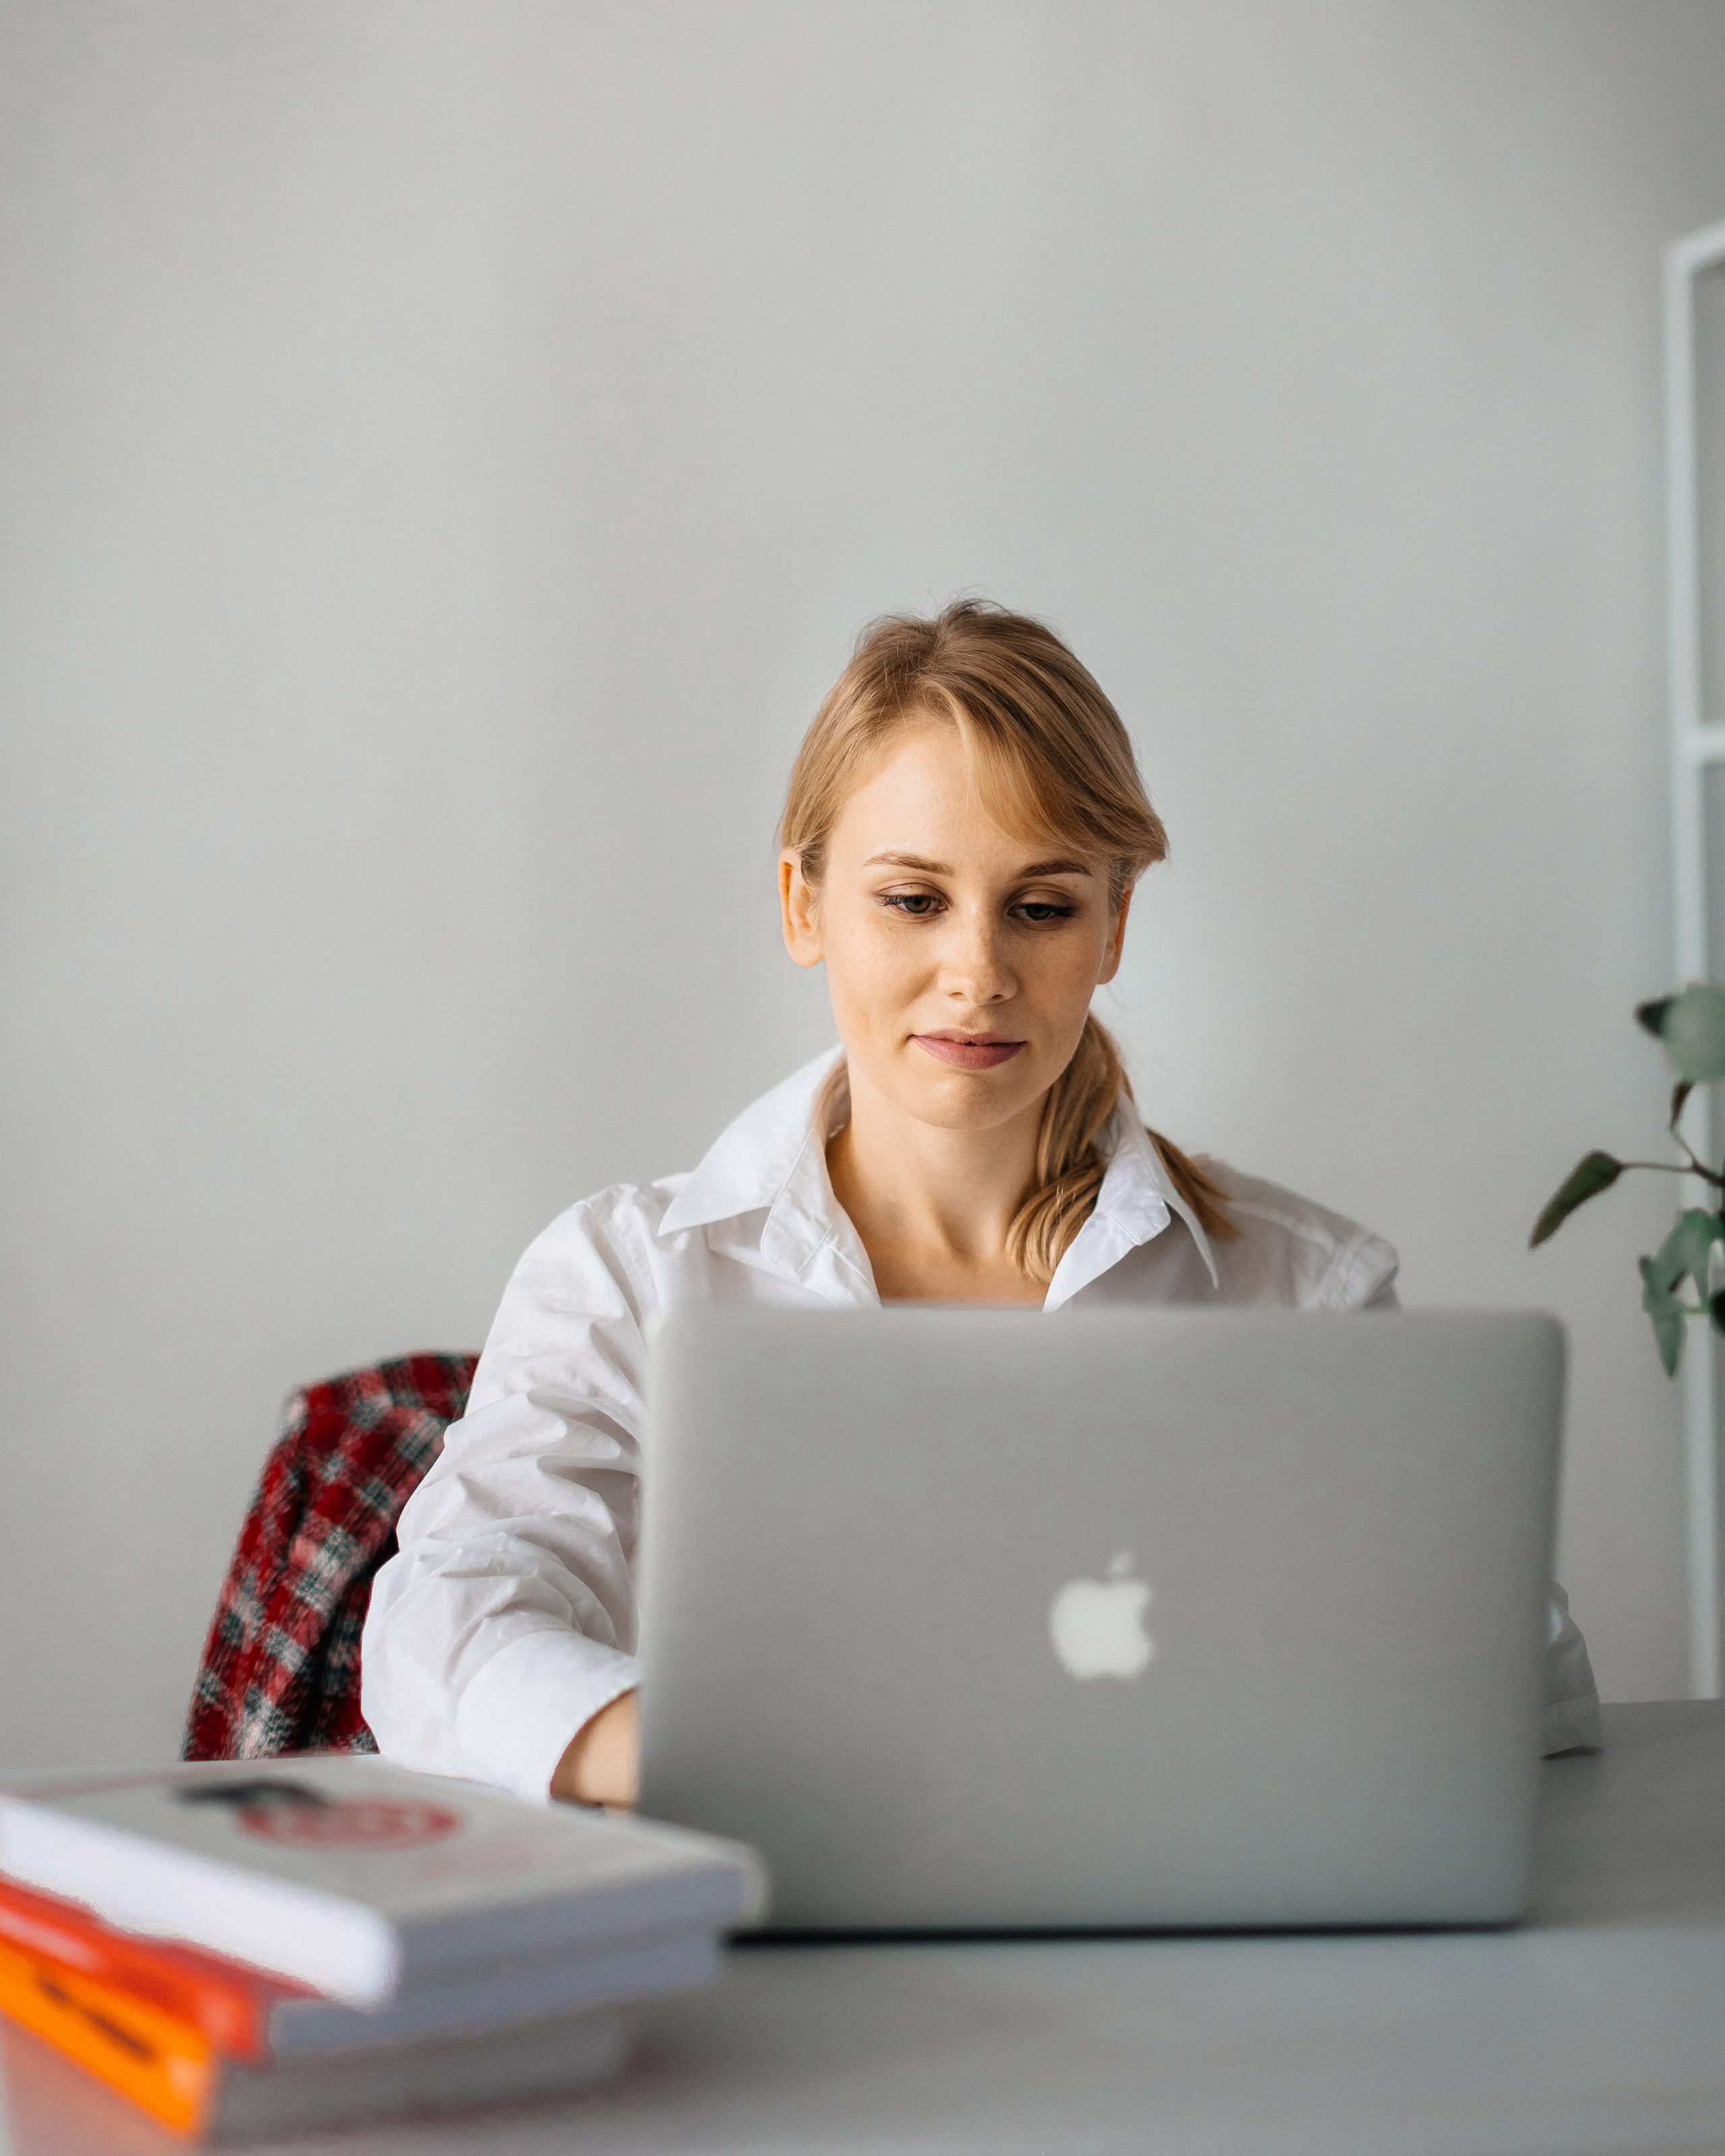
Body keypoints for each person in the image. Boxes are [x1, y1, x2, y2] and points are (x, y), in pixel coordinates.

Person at [361, 600, 1601, 1806]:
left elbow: (1527, 1681)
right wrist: (706, 1764)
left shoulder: (1302, 1291)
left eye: (1042, 908)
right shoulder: (627, 1275)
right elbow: (443, 1625)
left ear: (1113, 927)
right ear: (804, 905)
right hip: (763, 1900)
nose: (978, 973)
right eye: (914, 901)